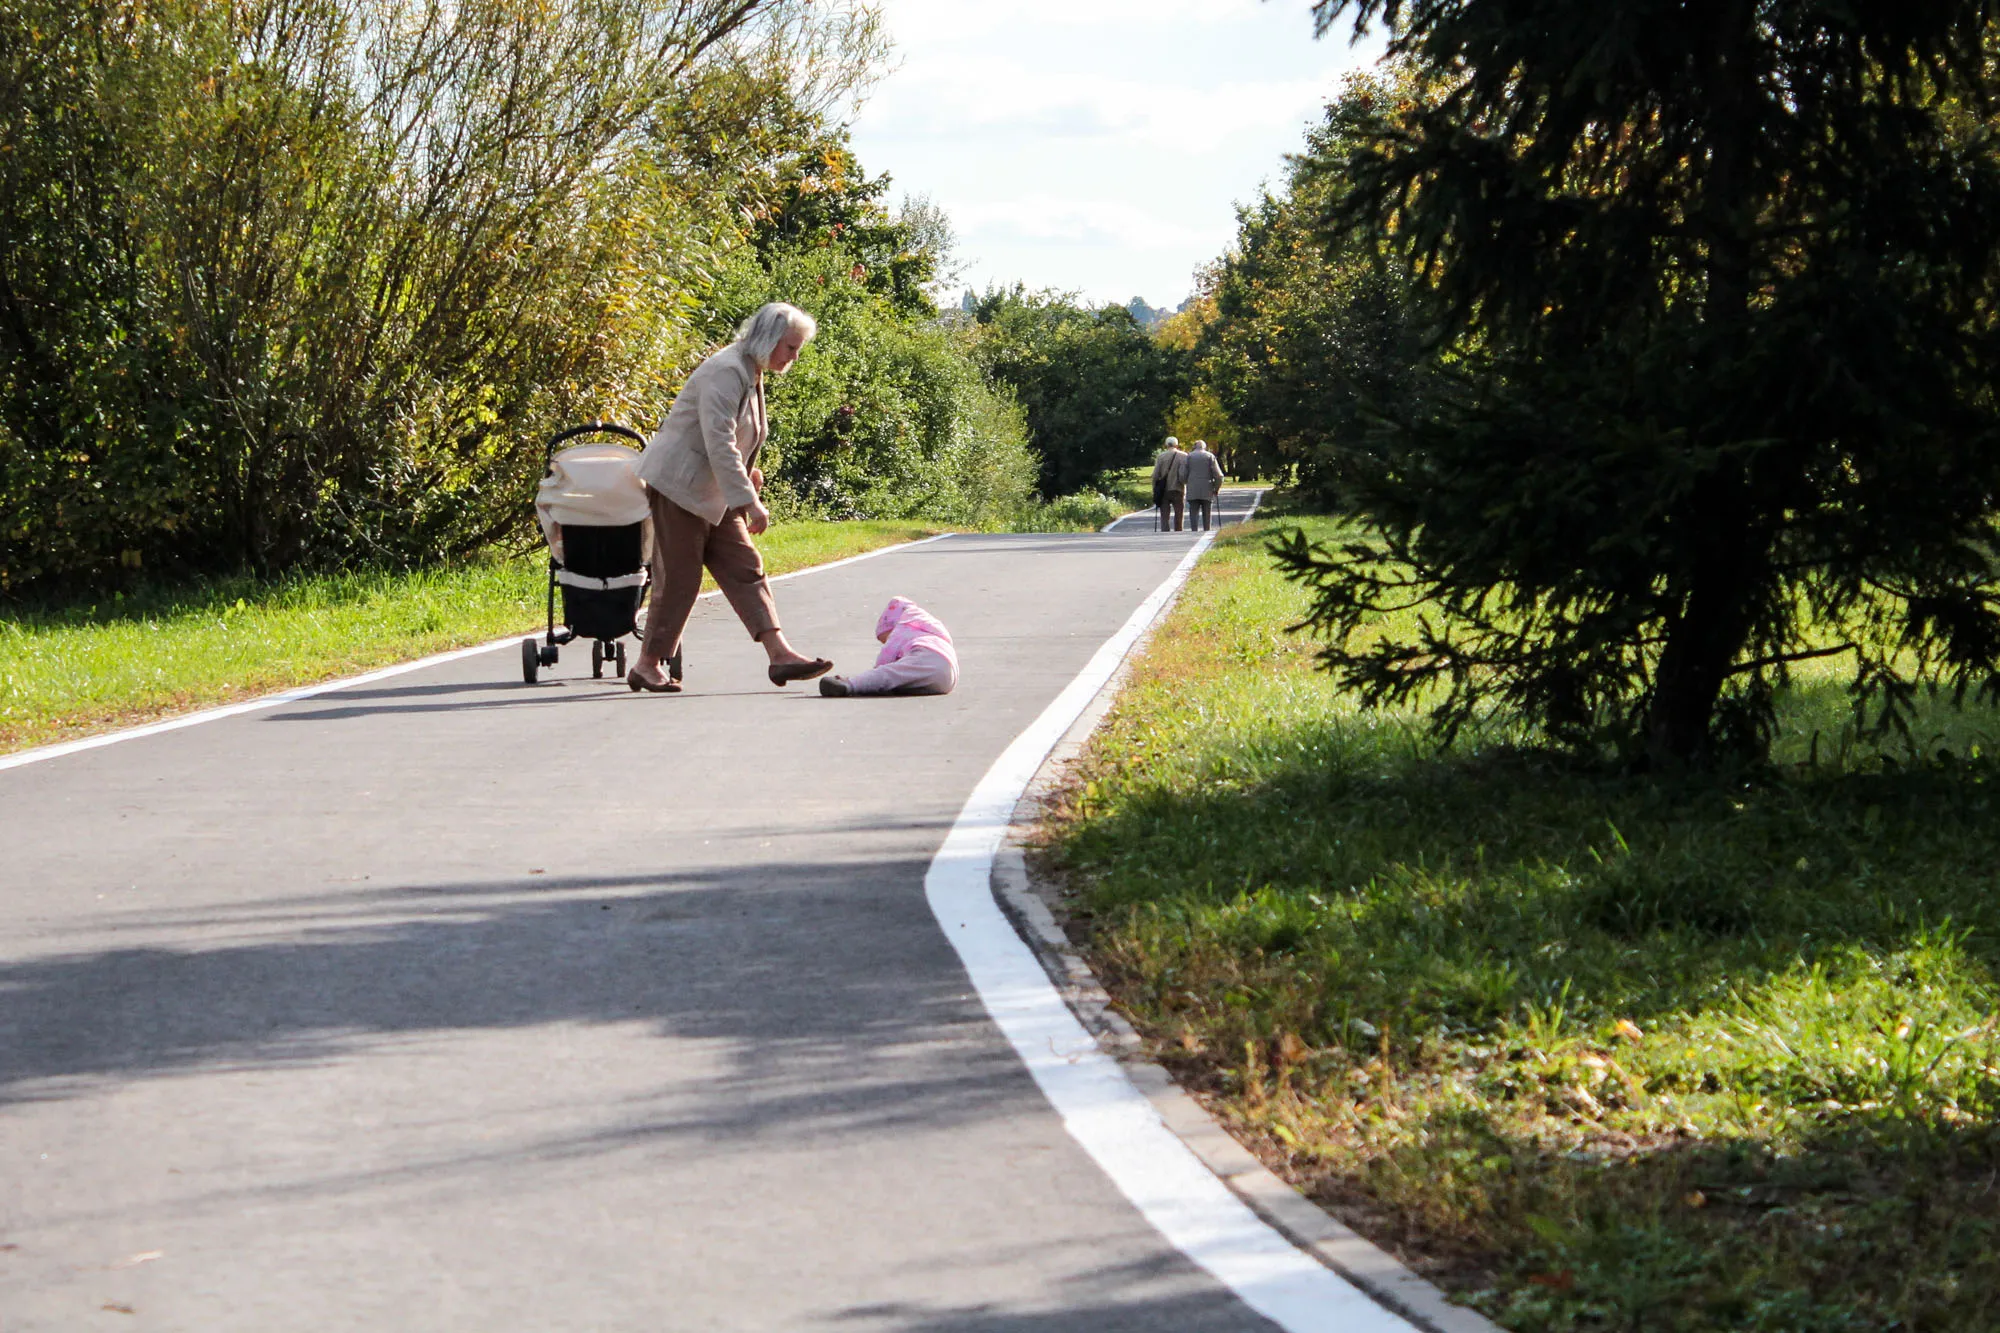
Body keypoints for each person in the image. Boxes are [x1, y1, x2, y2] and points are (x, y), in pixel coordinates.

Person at [626, 302, 832, 693]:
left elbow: (737, 437)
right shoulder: (727, 370)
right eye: (791, 347)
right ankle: (647, 664)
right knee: (681, 579)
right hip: (679, 488)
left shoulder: (750, 370)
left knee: (745, 567)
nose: (795, 356)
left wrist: (748, 476)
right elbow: (718, 441)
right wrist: (749, 501)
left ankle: (780, 654)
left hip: (713, 493)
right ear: (769, 340)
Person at [819, 597, 959, 697]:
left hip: (926, 657)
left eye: (886, 639)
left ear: (893, 627)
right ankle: (902, 687)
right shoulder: (929, 631)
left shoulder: (903, 627)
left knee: (887, 674)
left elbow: (887, 656)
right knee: (901, 676)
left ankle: (850, 684)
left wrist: (876, 670)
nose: (886, 643)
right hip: (948, 678)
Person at [1183, 439, 1225, 531]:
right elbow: (1219, 476)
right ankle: (1206, 530)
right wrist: (1216, 488)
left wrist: (1186, 482)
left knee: (1193, 512)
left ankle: (1194, 531)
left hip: (1193, 488)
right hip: (1207, 488)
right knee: (1207, 512)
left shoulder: (1189, 457)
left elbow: (1183, 474)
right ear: (1204, 447)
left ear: (1194, 446)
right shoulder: (1210, 456)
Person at [1151, 436, 1188, 532]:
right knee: (1179, 513)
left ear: (1166, 445)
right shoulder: (1184, 456)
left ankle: (1165, 531)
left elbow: (1155, 475)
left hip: (1164, 489)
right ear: (1177, 445)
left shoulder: (1161, 456)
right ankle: (1178, 530)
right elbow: (1185, 474)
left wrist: (1155, 487)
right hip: (1178, 488)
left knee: (1164, 514)